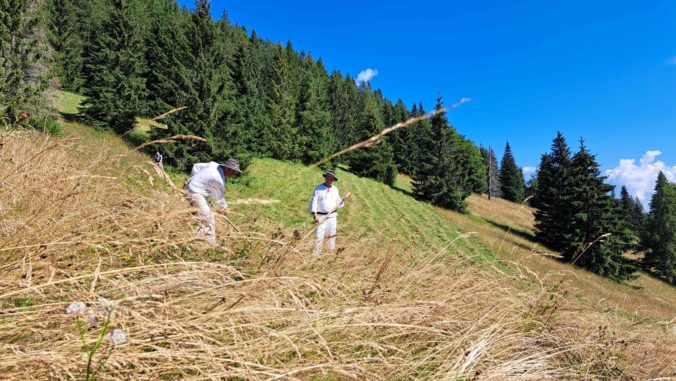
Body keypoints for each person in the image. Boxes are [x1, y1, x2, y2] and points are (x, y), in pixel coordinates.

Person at [184, 158, 242, 246]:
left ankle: (197, 240)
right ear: (229, 169)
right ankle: (206, 245)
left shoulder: (213, 165)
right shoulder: (218, 179)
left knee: (202, 216)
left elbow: (196, 166)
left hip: (188, 187)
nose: (234, 174)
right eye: (234, 171)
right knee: (208, 218)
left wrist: (195, 180)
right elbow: (219, 199)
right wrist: (225, 209)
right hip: (195, 193)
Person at [309, 171, 350, 256]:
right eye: (328, 177)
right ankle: (316, 255)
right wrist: (315, 215)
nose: (329, 179)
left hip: (332, 216)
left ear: (333, 180)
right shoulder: (318, 188)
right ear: (325, 177)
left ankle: (330, 254)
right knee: (319, 236)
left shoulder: (335, 189)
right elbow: (314, 202)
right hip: (320, 216)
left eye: (331, 178)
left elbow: (338, 203)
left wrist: (343, 200)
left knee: (331, 236)